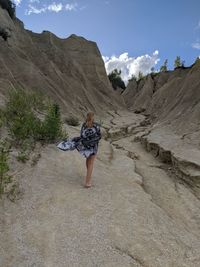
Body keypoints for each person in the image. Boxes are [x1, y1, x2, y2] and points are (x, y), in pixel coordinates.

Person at [79, 112, 101, 188]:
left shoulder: (84, 125)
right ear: (93, 117)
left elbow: (81, 135)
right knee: (91, 162)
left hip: (86, 146)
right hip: (94, 146)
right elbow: (99, 135)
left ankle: (89, 176)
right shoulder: (96, 125)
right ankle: (88, 182)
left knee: (88, 160)